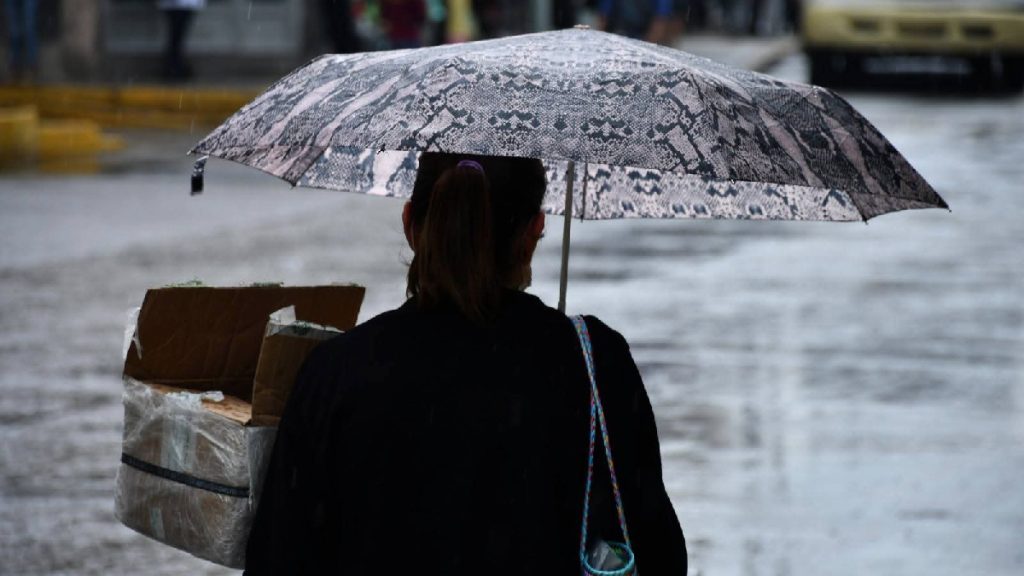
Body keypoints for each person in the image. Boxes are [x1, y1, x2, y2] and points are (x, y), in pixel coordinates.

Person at [243, 153, 687, 574]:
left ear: (410, 225)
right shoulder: (596, 364)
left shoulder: (336, 373)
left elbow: (279, 557)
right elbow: (657, 555)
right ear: (535, 231)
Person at [157, 0, 205, 81]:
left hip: (179, 5)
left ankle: (174, 64)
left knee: (176, 35)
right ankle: (174, 65)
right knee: (177, 35)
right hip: (180, 5)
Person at [597, 0, 675, 44]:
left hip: (643, 40)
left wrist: (645, 50)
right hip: (616, 36)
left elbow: (660, 24)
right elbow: (603, 19)